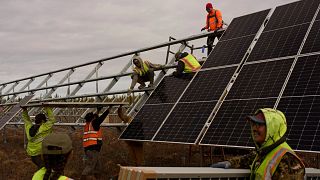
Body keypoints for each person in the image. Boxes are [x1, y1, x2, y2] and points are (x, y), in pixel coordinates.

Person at [210, 108, 305, 179]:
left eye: (260, 125)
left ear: (273, 129)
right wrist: (230, 163)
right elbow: (248, 159)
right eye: (253, 124)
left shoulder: (289, 161)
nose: (254, 128)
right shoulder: (264, 152)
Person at [81, 106, 110, 179]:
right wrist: (109, 109)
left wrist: (98, 110)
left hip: (89, 149)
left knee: (97, 167)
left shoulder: (87, 124)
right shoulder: (94, 123)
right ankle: (82, 178)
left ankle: (97, 178)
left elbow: (95, 117)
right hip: (93, 149)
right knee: (90, 166)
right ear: (93, 119)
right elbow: (101, 118)